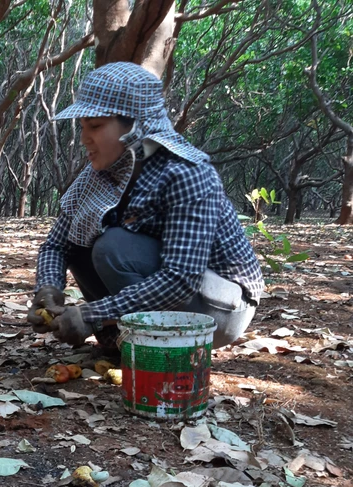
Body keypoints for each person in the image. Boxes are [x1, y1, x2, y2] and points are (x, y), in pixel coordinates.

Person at [26, 62, 264, 353]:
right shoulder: (98, 175)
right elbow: (57, 245)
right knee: (80, 238)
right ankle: (124, 339)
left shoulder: (185, 173)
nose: (84, 137)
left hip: (220, 309)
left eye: (96, 126)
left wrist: (92, 316)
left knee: (113, 247)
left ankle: (156, 346)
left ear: (135, 127)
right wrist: (48, 289)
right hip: (169, 288)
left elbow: (180, 280)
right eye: (83, 126)